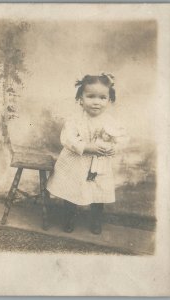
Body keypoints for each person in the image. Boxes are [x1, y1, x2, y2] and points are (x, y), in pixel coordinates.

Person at [47, 73, 124, 234]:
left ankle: (96, 220)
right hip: (76, 162)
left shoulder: (110, 121)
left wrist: (113, 148)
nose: (96, 102)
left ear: (109, 100)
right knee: (71, 190)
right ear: (80, 99)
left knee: (98, 192)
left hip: (99, 164)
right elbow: (67, 139)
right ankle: (69, 218)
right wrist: (87, 147)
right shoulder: (74, 119)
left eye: (103, 98)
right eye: (91, 96)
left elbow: (121, 137)